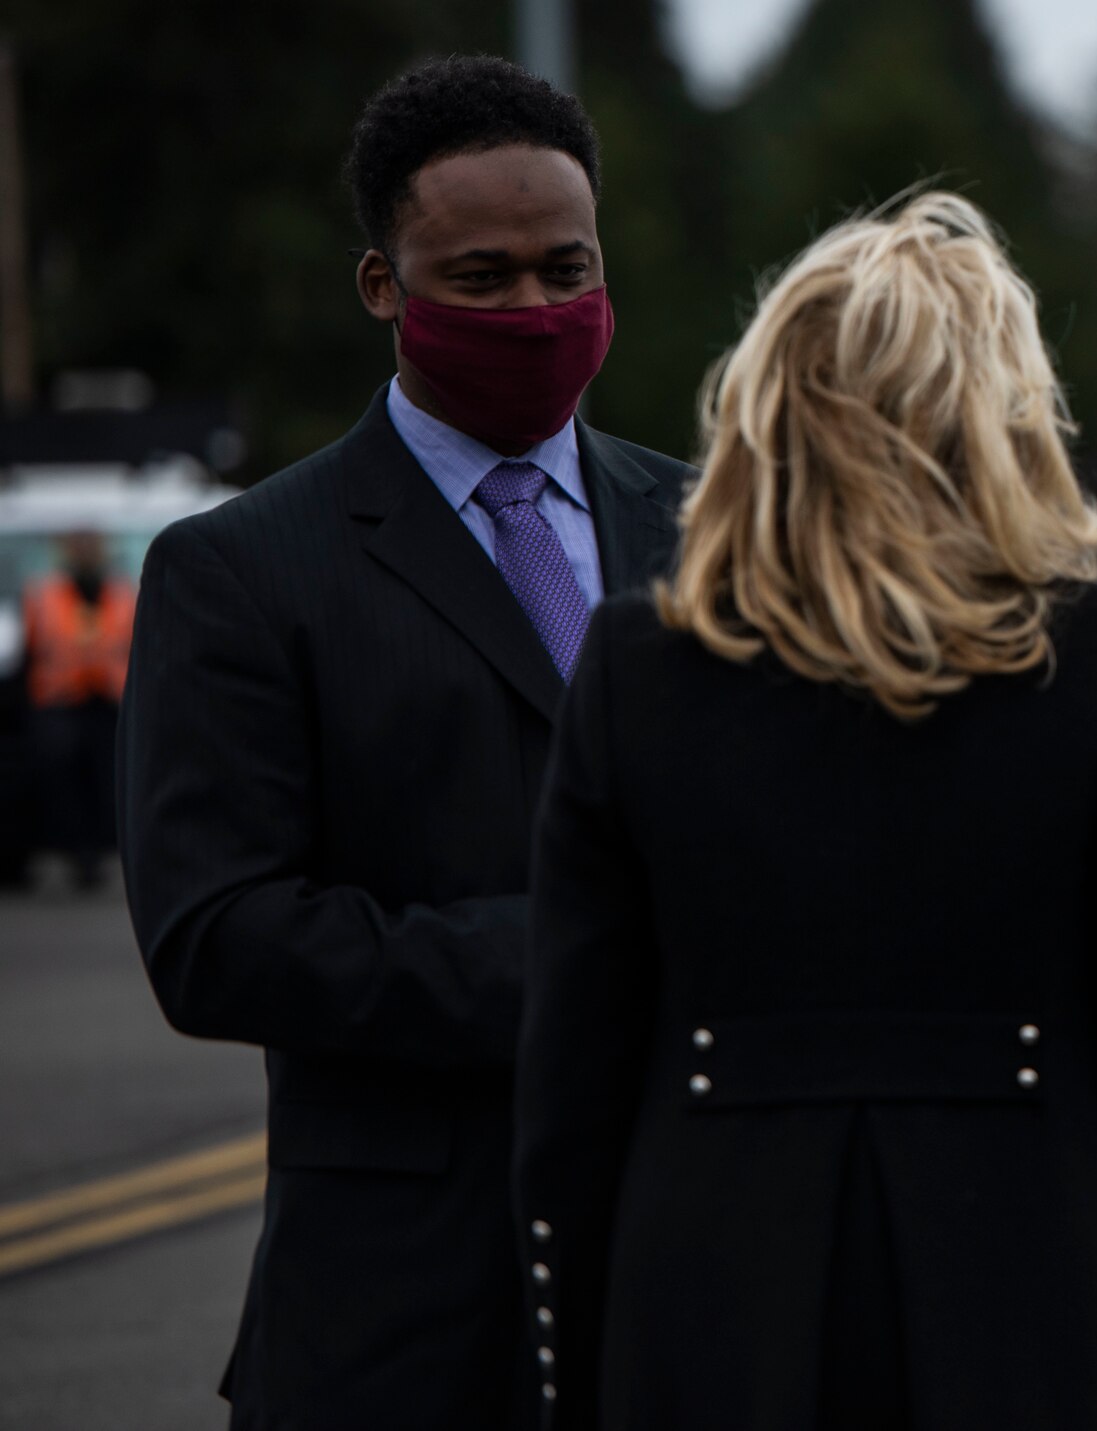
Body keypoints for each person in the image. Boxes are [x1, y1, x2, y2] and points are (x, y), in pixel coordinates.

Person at [512, 191, 1097, 1431]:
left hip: (709, 1320)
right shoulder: (1091, 658)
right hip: (1045, 1317)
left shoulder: (634, 668)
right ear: (999, 416)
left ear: (768, 412)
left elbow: (568, 1102)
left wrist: (581, 1376)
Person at [117, 56, 689, 1430]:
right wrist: (571, 956)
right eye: (481, 277)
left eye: (567, 267)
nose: (537, 309)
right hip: (400, 1316)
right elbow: (216, 934)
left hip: (687, 1279)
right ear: (385, 286)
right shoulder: (241, 567)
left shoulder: (716, 522)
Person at [23, 529, 133, 887]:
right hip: (61, 703)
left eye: (92, 543)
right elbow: (31, 650)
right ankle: (77, 854)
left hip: (110, 702)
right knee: (64, 782)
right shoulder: (43, 593)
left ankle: (99, 853)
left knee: (108, 782)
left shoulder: (124, 593)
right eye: (78, 543)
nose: (86, 550)